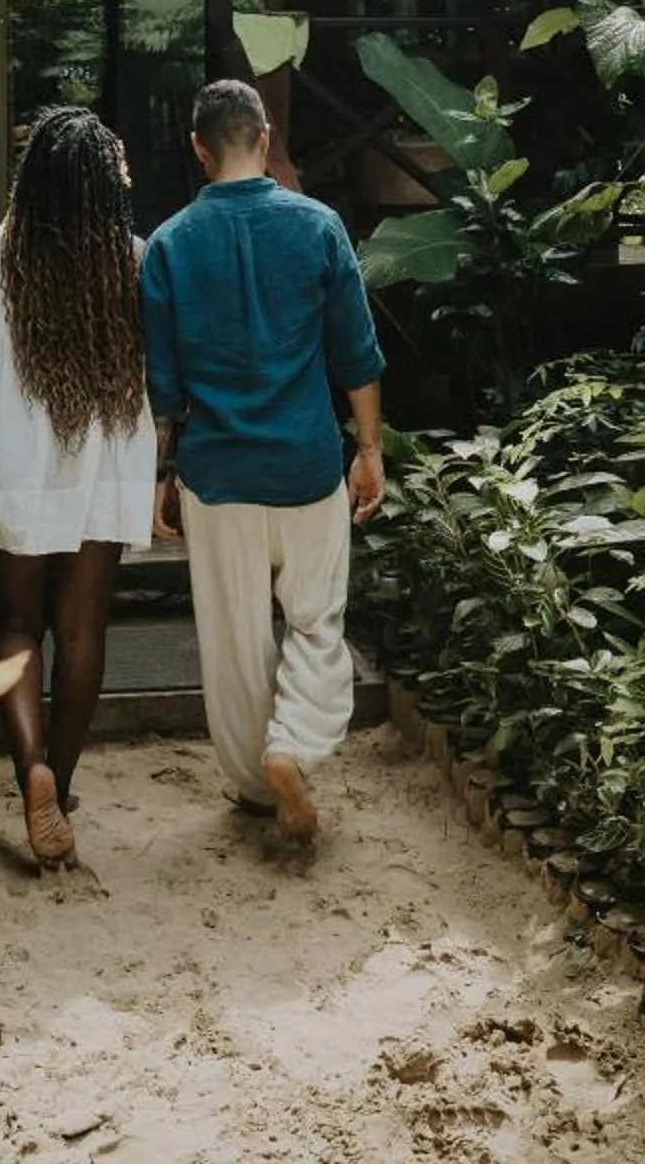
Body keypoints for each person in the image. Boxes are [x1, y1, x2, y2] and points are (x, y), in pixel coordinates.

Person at [141, 78, 385, 842]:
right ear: (267, 135)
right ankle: (294, 746)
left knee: (235, 635)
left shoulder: (171, 243)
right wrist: (369, 447)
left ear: (198, 148)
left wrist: (162, 474)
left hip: (217, 472)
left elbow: (165, 384)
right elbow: (356, 352)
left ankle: (254, 785)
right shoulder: (318, 227)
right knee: (316, 618)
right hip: (307, 463)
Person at [0, 107, 159, 869]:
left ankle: (30, 768)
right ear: (105, 183)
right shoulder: (134, 256)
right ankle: (59, 791)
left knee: (13, 624)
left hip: (16, 451)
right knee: (83, 629)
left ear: (32, 176)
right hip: (104, 453)